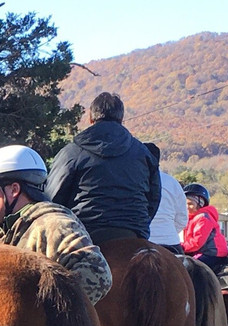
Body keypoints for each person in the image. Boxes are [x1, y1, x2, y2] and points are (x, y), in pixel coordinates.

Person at [0, 144, 112, 305]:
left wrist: (47, 317)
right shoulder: (14, 231)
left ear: (14, 189)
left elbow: (97, 271)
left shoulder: (53, 224)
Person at [45, 92, 161, 244]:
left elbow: (52, 196)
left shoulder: (72, 152)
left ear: (91, 118)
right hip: (134, 231)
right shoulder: (143, 153)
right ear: (121, 119)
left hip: (83, 232)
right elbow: (154, 197)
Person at [144, 142, 188, 254]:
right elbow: (182, 218)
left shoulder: (132, 182)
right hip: (170, 241)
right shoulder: (172, 182)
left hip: (143, 241)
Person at [182, 183, 228, 270]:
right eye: (185, 204)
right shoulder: (190, 219)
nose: (187, 207)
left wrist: (181, 247)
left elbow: (197, 243)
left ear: (201, 204)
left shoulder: (203, 218)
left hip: (212, 254)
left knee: (189, 269)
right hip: (203, 252)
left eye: (190, 204)